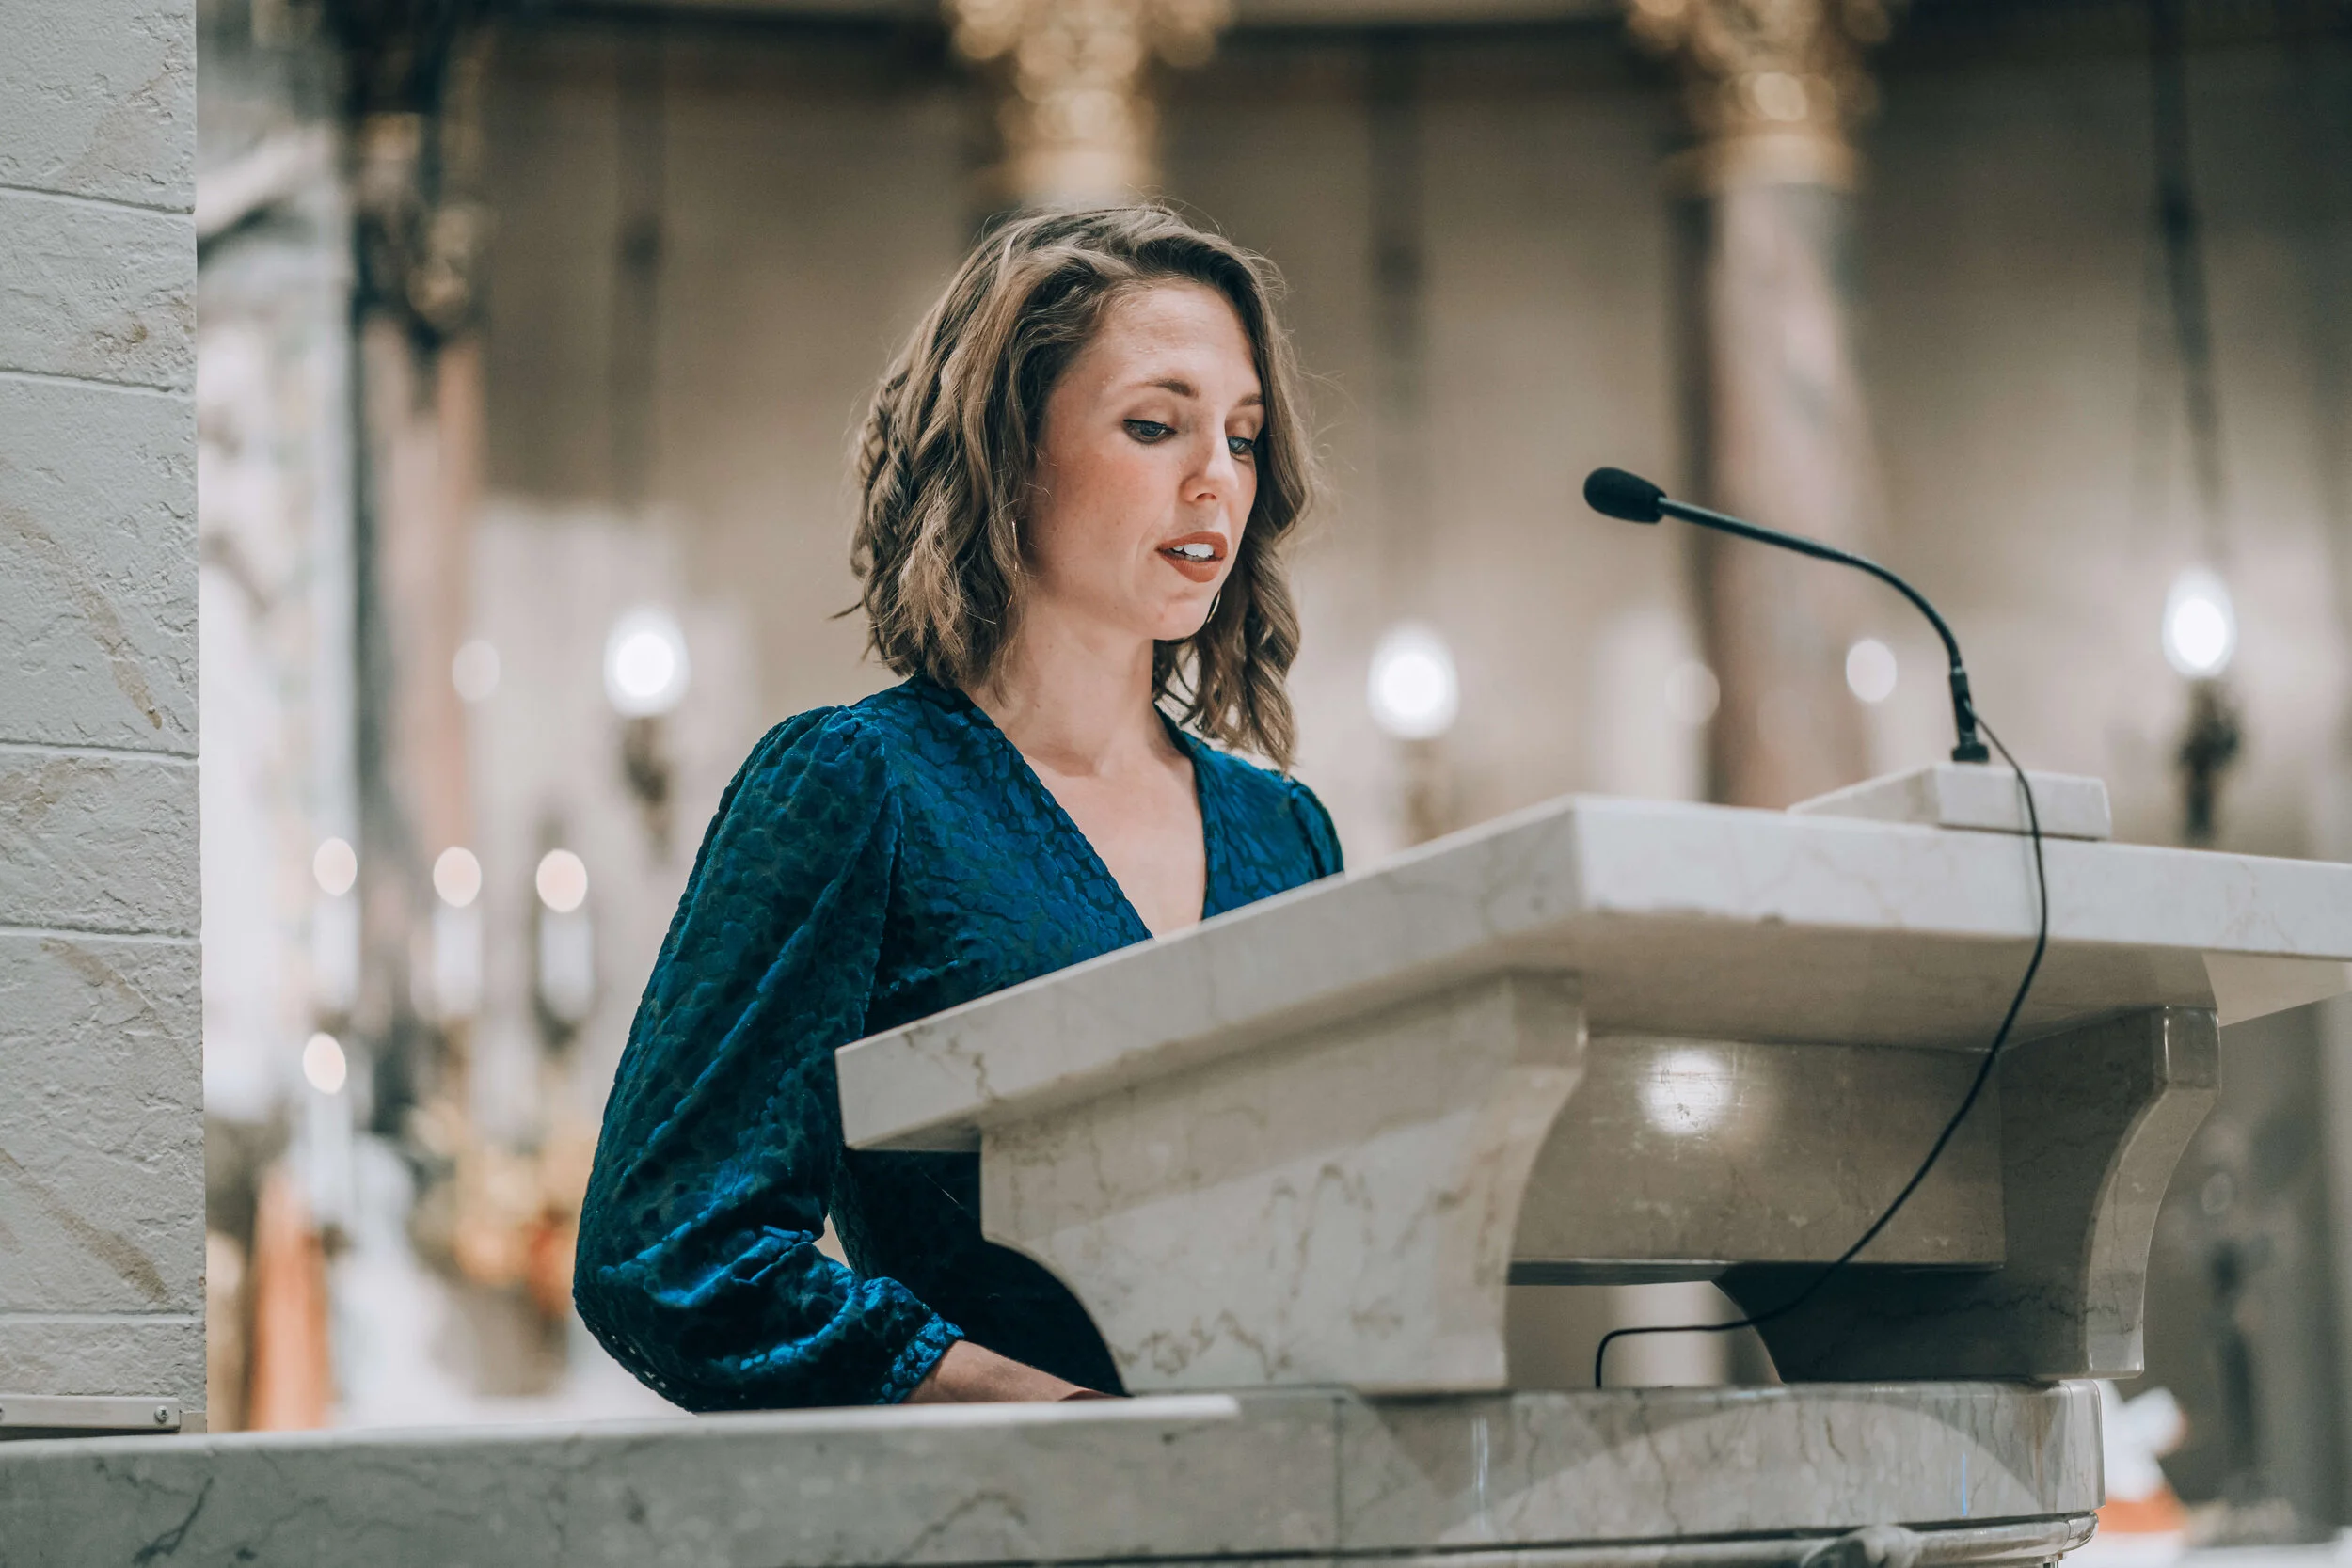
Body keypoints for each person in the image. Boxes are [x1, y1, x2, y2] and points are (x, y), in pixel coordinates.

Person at [573, 206, 1344, 1410]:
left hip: (1297, 1505)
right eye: (1155, 425)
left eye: (1243, 439)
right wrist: (1014, 1401)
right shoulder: (858, 786)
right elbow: (667, 1250)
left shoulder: (1285, 832)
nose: (1216, 482)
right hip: (1007, 1519)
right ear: (1008, 451)